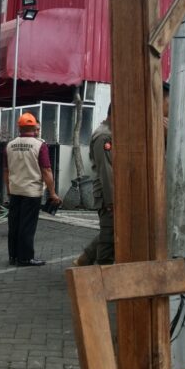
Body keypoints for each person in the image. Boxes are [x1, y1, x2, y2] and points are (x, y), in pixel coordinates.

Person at [4, 113, 61, 267]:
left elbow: (6, 170)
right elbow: (47, 171)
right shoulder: (39, 145)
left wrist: (9, 189)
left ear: (19, 127)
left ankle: (13, 256)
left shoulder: (10, 145)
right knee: (27, 226)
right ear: (35, 126)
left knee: (14, 224)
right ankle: (25, 258)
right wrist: (53, 193)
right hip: (31, 192)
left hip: (15, 191)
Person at [75, 105, 114, 266]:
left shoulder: (110, 132)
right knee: (108, 237)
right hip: (107, 194)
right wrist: (111, 200)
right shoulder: (104, 135)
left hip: (110, 192)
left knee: (111, 231)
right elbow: (106, 170)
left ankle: (84, 259)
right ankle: (102, 273)